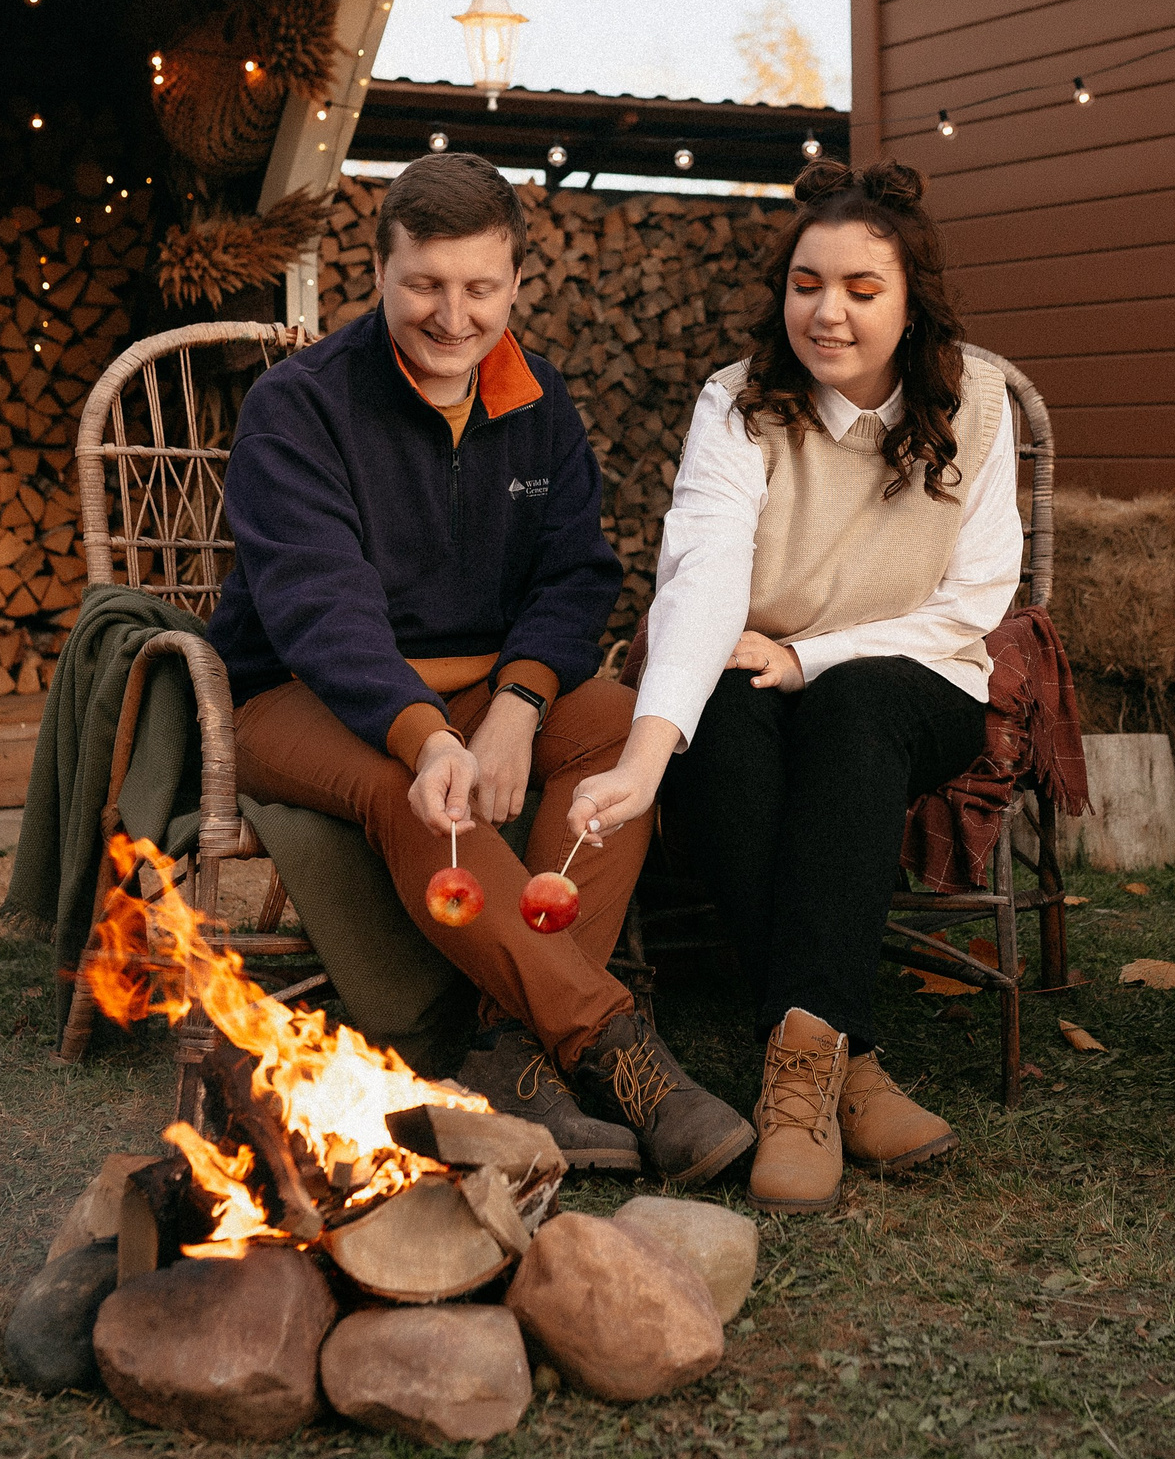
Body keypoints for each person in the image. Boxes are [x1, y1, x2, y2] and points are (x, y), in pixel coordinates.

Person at [209, 151, 752, 1185]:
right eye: (425, 284)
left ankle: (510, 1049)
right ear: (378, 271)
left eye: (479, 288)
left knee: (614, 727)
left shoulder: (541, 405)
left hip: (485, 686)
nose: (452, 315)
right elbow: (323, 608)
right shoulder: (301, 405)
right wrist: (430, 736)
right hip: (303, 694)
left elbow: (576, 576)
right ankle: (614, 1050)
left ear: (513, 284)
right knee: (416, 791)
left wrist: (517, 702)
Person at [567, 158, 1020, 1213]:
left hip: (916, 672)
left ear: (910, 303)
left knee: (854, 711)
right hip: (752, 662)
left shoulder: (979, 402)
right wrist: (648, 747)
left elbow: (975, 596)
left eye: (863, 289)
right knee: (714, 727)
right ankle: (831, 1064)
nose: (829, 312)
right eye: (807, 284)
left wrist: (811, 657)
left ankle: (800, 1071)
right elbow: (702, 572)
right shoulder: (738, 402)